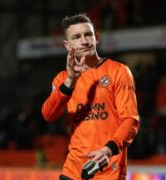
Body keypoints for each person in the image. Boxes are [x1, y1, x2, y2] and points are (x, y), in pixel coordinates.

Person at [41, 13, 140, 180]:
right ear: (67, 45)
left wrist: (108, 150)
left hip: (108, 169)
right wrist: (71, 81)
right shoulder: (63, 79)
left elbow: (130, 120)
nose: (85, 41)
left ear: (97, 37)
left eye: (88, 34)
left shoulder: (118, 72)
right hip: (73, 170)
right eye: (77, 37)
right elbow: (48, 115)